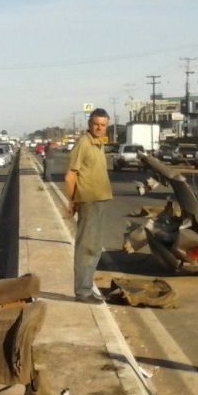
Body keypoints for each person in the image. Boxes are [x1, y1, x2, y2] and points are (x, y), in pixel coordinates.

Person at [63, 108, 112, 303]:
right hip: (89, 202)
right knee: (86, 248)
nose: (99, 128)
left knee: (95, 247)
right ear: (89, 124)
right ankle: (82, 292)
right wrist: (71, 201)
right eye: (96, 124)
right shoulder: (83, 143)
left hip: (100, 200)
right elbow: (70, 176)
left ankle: (87, 287)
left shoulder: (99, 143)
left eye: (103, 125)